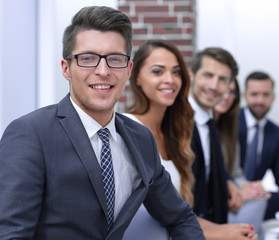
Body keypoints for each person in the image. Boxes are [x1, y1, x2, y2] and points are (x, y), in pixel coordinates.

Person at [0, 6, 204, 239]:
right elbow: (11, 233)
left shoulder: (141, 138)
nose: (103, 70)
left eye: (115, 59)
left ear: (128, 70)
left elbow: (180, 217)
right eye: (88, 58)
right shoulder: (30, 133)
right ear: (66, 68)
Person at [123, 39, 257, 240]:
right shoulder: (127, 129)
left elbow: (177, 212)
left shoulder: (173, 132)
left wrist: (227, 229)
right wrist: (219, 235)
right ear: (136, 77)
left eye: (176, 72)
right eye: (158, 71)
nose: (169, 79)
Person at [238, 71, 279, 220]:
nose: (260, 100)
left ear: (273, 97)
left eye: (266, 95)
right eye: (254, 94)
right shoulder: (228, 124)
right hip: (229, 194)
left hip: (256, 195)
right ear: (245, 96)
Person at [189, 47, 243, 224]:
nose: (214, 86)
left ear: (229, 85)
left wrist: (228, 180)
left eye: (222, 80)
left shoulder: (209, 120)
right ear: (192, 75)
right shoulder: (176, 121)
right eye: (208, 75)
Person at [214, 79, 269, 240]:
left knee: (259, 198)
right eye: (223, 90)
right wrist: (237, 193)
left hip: (230, 198)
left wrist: (251, 188)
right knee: (257, 226)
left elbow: (236, 174)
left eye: (231, 92)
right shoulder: (199, 128)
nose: (226, 96)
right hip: (212, 203)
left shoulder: (228, 130)